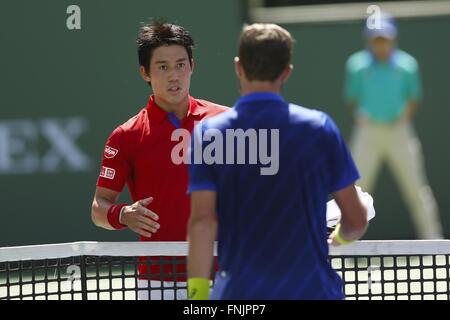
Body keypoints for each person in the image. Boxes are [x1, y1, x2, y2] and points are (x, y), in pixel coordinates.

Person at [187, 23, 368, 300]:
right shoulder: (319, 128)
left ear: (238, 67)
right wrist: (339, 238)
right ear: (286, 72)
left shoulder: (209, 134)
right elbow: (356, 221)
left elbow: (202, 222)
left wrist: (197, 296)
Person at [90, 21, 228, 300]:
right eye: (163, 67)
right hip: (159, 281)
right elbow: (98, 208)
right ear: (145, 73)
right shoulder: (125, 136)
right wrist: (123, 215)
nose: (174, 76)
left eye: (180, 64)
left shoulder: (229, 122)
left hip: (226, 272)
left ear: (192, 66)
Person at [345, 13, 443, 239]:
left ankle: (434, 243)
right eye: (375, 39)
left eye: (384, 39)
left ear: (393, 38)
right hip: (367, 132)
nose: (380, 44)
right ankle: (344, 245)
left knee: (417, 190)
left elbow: (413, 98)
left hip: (400, 132)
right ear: (368, 40)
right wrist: (366, 117)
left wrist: (399, 118)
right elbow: (352, 99)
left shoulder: (408, 65)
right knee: (354, 191)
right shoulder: (356, 66)